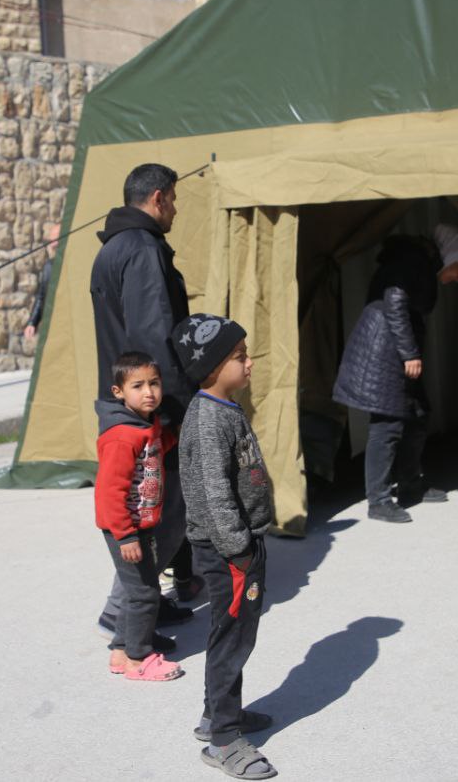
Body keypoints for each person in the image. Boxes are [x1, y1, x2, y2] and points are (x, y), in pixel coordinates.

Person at [90, 164, 196, 647]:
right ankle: (125, 614)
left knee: (152, 508)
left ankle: (142, 603)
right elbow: (154, 334)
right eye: (173, 200)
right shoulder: (144, 249)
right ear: (158, 197)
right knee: (165, 511)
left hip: (125, 399)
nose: (174, 209)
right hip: (151, 406)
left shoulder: (113, 248)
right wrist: (169, 408)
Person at [172, 314, 277, 780]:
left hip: (238, 545)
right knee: (232, 639)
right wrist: (238, 546)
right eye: (239, 357)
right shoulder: (209, 420)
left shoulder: (222, 408)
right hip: (229, 550)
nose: (249, 363)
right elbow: (214, 492)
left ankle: (217, 713)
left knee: (232, 633)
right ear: (212, 367)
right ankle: (224, 742)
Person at [332, 222, 458, 524]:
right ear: (450, 258)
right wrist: (409, 353)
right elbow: (394, 301)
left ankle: (410, 485)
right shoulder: (412, 262)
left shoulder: (419, 263)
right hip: (382, 351)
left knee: (418, 415)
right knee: (386, 425)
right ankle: (379, 500)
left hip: (391, 350)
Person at [94, 351, 184, 681]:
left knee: (139, 593)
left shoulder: (147, 425)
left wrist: (178, 437)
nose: (149, 392)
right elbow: (108, 493)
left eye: (154, 383)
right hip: (125, 530)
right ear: (119, 392)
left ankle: (121, 652)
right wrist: (126, 535)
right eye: (138, 385)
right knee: (145, 594)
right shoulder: (121, 436)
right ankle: (138, 660)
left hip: (140, 526)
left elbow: (157, 445)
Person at [23, 222, 62, 342]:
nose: (53, 244)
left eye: (57, 238)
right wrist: (32, 322)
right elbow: (41, 295)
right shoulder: (49, 266)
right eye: (51, 240)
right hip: (52, 327)